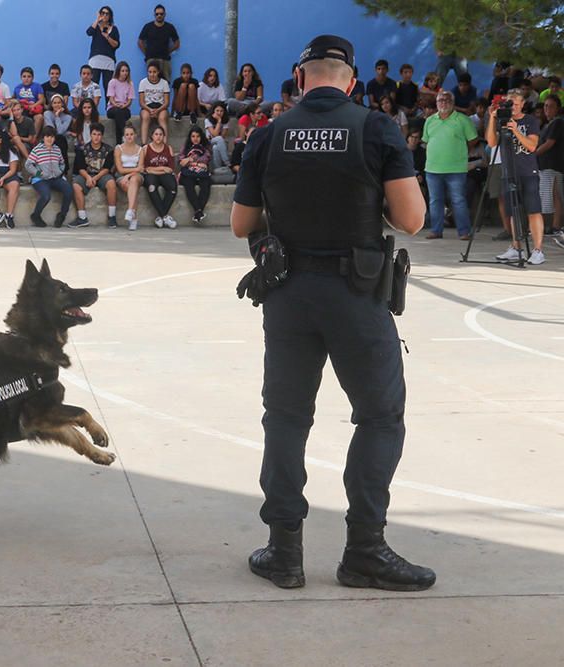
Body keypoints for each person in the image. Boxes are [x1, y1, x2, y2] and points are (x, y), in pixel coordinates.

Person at [230, 34, 433, 593]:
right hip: (357, 295)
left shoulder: (268, 135)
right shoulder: (375, 128)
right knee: (378, 417)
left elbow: (242, 224)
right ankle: (364, 550)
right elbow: (412, 220)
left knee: (287, 417)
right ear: (350, 80)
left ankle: (284, 552)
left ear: (301, 79)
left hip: (289, 294)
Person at [487, 88, 548, 265]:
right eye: (508, 103)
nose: (512, 107)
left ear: (522, 104)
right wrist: (492, 118)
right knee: (513, 211)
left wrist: (515, 130)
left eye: (515, 103)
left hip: (528, 171)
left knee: (533, 210)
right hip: (509, 172)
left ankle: (538, 250)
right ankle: (516, 247)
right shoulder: (503, 120)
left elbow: (532, 146)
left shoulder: (530, 121)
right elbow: (491, 142)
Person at [421, 89, 477, 240]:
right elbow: (425, 140)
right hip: (433, 168)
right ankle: (436, 230)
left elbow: (473, 140)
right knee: (435, 200)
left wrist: (458, 151)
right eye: (440, 100)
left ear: (453, 103)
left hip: (456, 168)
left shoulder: (463, 120)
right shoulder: (430, 120)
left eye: (447, 100)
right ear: (436, 103)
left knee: (458, 200)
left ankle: (464, 232)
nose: (443, 103)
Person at [69, 122, 116, 228]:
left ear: (102, 136)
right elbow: (80, 168)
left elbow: (107, 168)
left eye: (99, 135)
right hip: (87, 175)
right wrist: (88, 178)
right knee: (76, 185)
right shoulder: (82, 149)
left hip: (102, 175)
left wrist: (95, 178)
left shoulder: (109, 150)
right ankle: (82, 218)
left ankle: (112, 216)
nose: (96, 137)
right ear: (90, 135)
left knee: (111, 184)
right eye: (94, 134)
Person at [25, 125, 71, 228]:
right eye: (47, 136)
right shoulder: (37, 149)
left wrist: (59, 172)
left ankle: (62, 215)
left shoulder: (57, 149)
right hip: (40, 180)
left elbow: (62, 163)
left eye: (52, 137)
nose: (49, 139)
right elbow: (28, 165)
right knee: (46, 196)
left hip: (55, 178)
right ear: (43, 137)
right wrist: (38, 173)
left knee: (68, 190)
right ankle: (36, 215)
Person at [535, 95, 563, 238]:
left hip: (553, 164)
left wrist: (534, 154)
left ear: (557, 108)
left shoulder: (557, 122)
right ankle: (553, 225)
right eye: (545, 106)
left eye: (551, 106)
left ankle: (556, 226)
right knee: (551, 195)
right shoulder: (548, 124)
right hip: (545, 164)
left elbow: (549, 143)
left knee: (555, 195)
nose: (547, 109)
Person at [141, 125, 177, 228]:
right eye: (156, 134)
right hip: (151, 176)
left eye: (161, 134)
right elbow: (145, 168)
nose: (158, 137)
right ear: (152, 136)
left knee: (172, 187)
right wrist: (162, 169)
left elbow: (170, 168)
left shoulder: (168, 148)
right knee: (152, 187)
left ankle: (161, 217)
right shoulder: (146, 148)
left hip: (164, 175)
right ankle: (165, 217)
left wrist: (153, 169)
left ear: (164, 136)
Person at [178, 125, 211, 224]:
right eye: (193, 136)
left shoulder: (206, 147)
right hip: (188, 173)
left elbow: (206, 160)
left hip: (201, 174)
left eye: (198, 136)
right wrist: (193, 161)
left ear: (201, 137)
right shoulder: (185, 147)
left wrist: (190, 160)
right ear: (190, 137)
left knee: (206, 185)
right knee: (188, 185)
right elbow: (181, 162)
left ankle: (198, 212)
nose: (195, 139)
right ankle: (199, 211)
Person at [137, 4, 179, 82]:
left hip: (165, 60)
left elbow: (177, 43)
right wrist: (147, 54)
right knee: (151, 83)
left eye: (161, 14)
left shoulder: (169, 27)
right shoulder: (148, 27)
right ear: (154, 15)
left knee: (165, 83)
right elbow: (140, 42)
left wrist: (169, 51)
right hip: (151, 59)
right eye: (157, 14)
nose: (159, 15)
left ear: (164, 14)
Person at [113, 122, 142, 229]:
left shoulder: (140, 149)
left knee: (134, 180)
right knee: (131, 186)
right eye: (127, 134)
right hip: (121, 175)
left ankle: (130, 210)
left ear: (135, 135)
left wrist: (129, 175)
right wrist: (127, 175)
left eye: (131, 134)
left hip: (137, 176)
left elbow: (141, 168)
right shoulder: (118, 148)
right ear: (124, 136)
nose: (129, 136)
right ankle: (134, 217)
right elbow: (120, 169)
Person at [86, 6, 120, 91]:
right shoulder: (95, 27)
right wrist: (97, 20)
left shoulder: (114, 29)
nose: (104, 15)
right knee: (93, 87)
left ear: (110, 16)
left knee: (108, 88)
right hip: (95, 59)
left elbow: (116, 44)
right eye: (102, 13)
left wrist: (107, 37)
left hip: (108, 61)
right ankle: (92, 104)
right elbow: (89, 32)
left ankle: (109, 105)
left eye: (107, 14)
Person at [138, 60, 170, 145]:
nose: (152, 74)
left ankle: (164, 143)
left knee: (162, 118)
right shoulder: (143, 82)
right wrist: (150, 110)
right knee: (145, 116)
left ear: (158, 72)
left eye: (154, 72)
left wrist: (158, 110)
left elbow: (166, 102)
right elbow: (141, 102)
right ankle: (144, 144)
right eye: (150, 72)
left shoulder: (164, 83)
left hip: (161, 107)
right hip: (147, 107)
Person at [43, 94, 73, 173]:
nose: (57, 105)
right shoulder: (47, 113)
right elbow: (51, 131)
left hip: (62, 141)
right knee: (58, 137)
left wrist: (57, 116)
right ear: (51, 104)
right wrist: (66, 132)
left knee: (60, 138)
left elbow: (59, 132)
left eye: (59, 102)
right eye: (54, 103)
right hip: (49, 139)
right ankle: (58, 171)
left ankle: (62, 172)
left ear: (62, 104)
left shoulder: (68, 117)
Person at [13, 67, 45, 134]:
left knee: (39, 117)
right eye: (24, 76)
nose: (26, 79)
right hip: (21, 110)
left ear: (32, 78)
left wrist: (33, 106)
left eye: (29, 76)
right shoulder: (17, 87)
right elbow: (13, 99)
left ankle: (33, 140)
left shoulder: (37, 86)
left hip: (33, 110)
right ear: (21, 77)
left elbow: (42, 100)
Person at [204, 102, 231, 169]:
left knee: (215, 148)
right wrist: (219, 121)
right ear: (213, 111)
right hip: (209, 142)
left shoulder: (226, 121)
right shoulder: (207, 120)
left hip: (220, 143)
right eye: (217, 111)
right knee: (218, 139)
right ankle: (227, 162)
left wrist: (220, 121)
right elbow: (215, 134)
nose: (219, 113)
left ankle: (218, 169)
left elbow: (222, 136)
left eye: (221, 111)